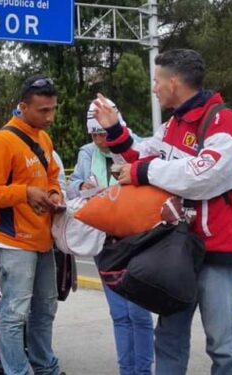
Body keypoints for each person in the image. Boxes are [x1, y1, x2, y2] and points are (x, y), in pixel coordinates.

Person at [93, 49, 232, 375]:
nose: (154, 88)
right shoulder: (173, 125)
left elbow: (202, 176)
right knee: (168, 339)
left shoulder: (224, 122)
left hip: (216, 252)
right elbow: (141, 153)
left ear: (174, 82)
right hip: (176, 251)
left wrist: (143, 172)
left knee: (221, 345)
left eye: (157, 81)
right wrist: (114, 130)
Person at [0, 75, 64, 375]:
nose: (49, 117)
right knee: (14, 314)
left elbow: (52, 176)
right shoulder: (2, 141)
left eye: (53, 109)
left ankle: (45, 366)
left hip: (43, 240)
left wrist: (53, 194)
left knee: (45, 310)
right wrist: (26, 193)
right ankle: (18, 371)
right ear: (23, 106)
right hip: (14, 243)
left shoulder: (44, 138)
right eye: (43, 111)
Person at [70, 99, 154, 375]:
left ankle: (142, 371)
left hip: (135, 238)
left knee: (138, 314)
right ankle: (125, 371)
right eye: (94, 136)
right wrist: (81, 185)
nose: (99, 141)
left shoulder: (137, 146)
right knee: (119, 314)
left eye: (103, 135)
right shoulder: (86, 153)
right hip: (104, 240)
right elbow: (72, 185)